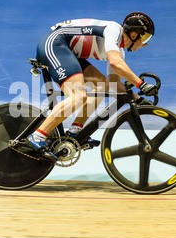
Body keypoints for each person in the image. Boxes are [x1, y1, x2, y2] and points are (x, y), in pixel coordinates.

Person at [26, 12, 158, 161]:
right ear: (134, 34)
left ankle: (75, 132)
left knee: (102, 85)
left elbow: (115, 85)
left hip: (67, 51)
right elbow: (115, 63)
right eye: (145, 38)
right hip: (55, 43)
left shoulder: (118, 50)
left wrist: (138, 99)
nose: (145, 44)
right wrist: (141, 84)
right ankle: (37, 136)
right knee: (78, 96)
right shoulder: (114, 29)